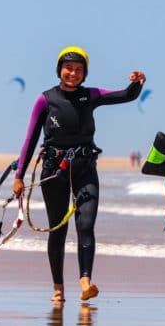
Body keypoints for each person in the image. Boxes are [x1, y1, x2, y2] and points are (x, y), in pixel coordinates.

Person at [12, 46, 145, 306]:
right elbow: (30, 139)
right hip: (54, 171)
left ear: (84, 73)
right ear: (59, 69)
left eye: (78, 69)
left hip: (85, 169)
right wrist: (19, 176)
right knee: (58, 229)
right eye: (68, 68)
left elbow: (124, 95)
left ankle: (85, 282)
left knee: (85, 225)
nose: (72, 73)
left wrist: (137, 83)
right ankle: (58, 288)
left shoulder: (91, 95)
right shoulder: (45, 100)